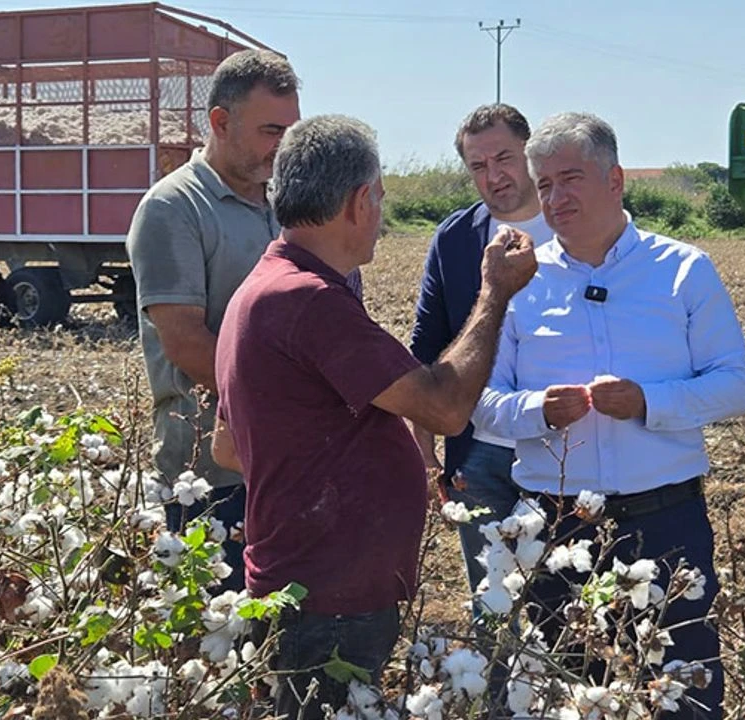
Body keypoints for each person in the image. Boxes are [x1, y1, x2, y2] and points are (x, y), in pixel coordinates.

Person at [210, 114, 537, 720]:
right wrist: (494, 295)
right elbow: (443, 405)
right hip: (327, 597)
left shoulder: (266, 285)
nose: (382, 215)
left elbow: (228, 447)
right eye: (381, 197)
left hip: (305, 582)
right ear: (361, 200)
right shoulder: (306, 300)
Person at [473, 112, 745, 719]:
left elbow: (735, 386)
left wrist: (650, 402)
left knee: (686, 691)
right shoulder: (519, 282)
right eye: (544, 184)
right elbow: (482, 405)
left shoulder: (683, 269)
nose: (556, 197)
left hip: (667, 517)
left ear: (616, 179)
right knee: (563, 693)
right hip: (556, 527)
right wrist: (537, 411)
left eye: (570, 178)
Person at [125, 49, 300, 591]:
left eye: (290, 131)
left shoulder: (283, 205)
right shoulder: (174, 208)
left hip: (279, 464)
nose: (284, 146)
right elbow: (185, 341)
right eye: (272, 130)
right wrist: (279, 416)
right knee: (211, 632)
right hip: (206, 477)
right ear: (220, 123)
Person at [410, 103, 555, 598]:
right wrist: (425, 449)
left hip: (567, 450)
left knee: (565, 603)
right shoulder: (455, 239)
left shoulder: (575, 227)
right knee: (493, 604)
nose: (493, 176)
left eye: (504, 158)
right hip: (478, 452)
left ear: (530, 154)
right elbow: (427, 345)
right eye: (478, 166)